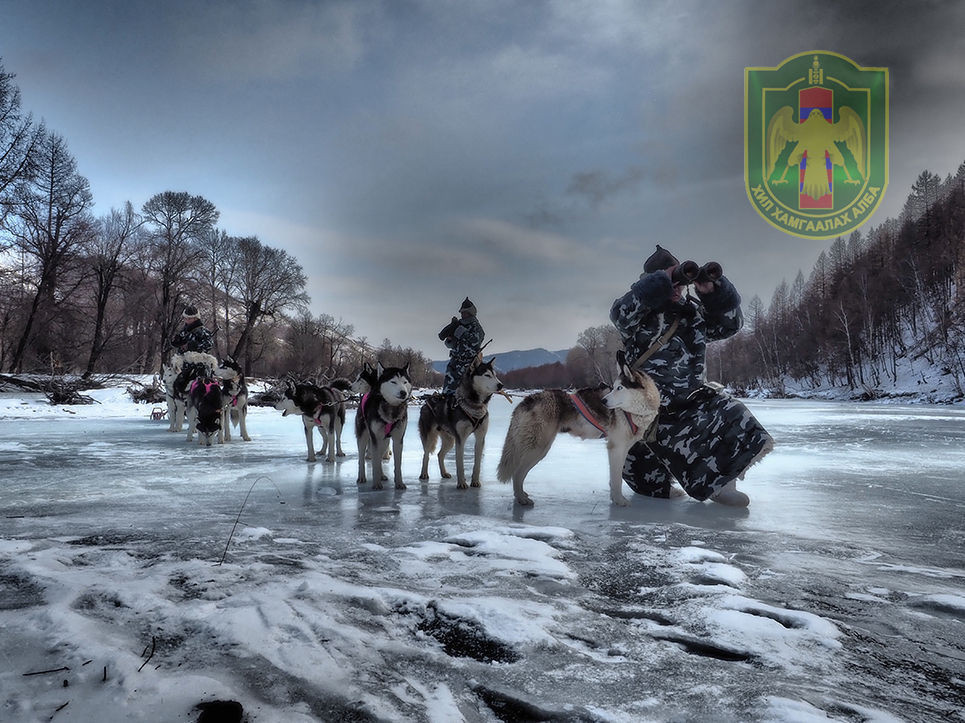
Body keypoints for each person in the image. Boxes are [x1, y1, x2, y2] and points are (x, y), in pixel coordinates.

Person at [609, 245, 773, 506]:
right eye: (669, 282)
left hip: (689, 405)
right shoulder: (639, 315)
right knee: (651, 489)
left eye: (679, 284)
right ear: (652, 282)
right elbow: (620, 313)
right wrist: (663, 282)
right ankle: (656, 478)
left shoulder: (691, 314)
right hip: (646, 414)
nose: (676, 288)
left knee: (731, 412)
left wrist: (714, 292)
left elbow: (731, 325)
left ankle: (722, 485)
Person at [439, 297, 485, 396]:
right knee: (448, 392)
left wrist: (462, 332)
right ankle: (447, 409)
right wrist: (450, 339)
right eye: (462, 313)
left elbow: (475, 341)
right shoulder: (460, 325)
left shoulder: (476, 327)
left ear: (470, 313)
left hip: (468, 365)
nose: (462, 315)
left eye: (465, 313)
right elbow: (450, 344)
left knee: (464, 393)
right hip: (454, 363)